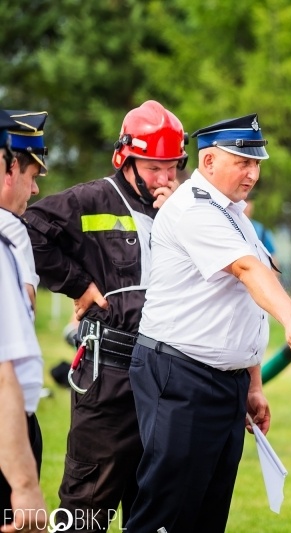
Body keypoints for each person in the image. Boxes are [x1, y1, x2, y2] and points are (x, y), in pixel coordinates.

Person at [125, 114, 291, 533]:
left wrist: (252, 385)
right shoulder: (195, 208)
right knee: (166, 513)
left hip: (220, 383)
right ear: (208, 162)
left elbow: (238, 307)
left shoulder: (231, 214)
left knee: (207, 514)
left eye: (257, 163)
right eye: (243, 163)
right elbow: (248, 270)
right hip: (181, 377)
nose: (254, 173)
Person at [24, 100, 187, 530]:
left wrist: (178, 217)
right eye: (155, 167)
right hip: (109, 376)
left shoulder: (186, 209)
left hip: (172, 376)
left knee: (156, 503)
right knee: (87, 503)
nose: (165, 178)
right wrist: (77, 284)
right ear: (125, 159)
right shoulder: (91, 198)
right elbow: (30, 229)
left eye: (173, 167)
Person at [0, 109, 47, 532]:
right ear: (6, 165)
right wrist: (25, 484)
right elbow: (3, 372)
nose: (33, 190)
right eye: (30, 175)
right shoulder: (6, 235)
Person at [0, 110, 47, 309]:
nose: (35, 189)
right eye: (33, 176)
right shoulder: (12, 230)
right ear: (11, 169)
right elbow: (24, 309)